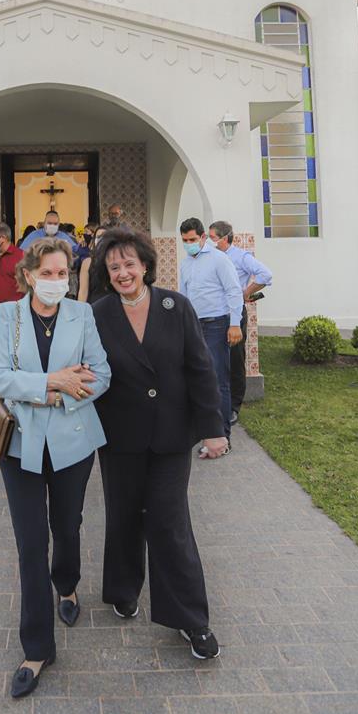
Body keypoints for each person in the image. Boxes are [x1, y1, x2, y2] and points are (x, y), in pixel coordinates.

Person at [91, 229, 226, 660]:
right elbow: (87, 372)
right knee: (124, 514)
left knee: (169, 522)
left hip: (171, 435)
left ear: (145, 265)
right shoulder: (97, 314)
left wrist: (214, 428)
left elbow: (200, 370)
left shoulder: (176, 306)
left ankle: (191, 619)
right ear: (106, 274)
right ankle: (123, 588)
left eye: (130, 264)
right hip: (119, 436)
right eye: (114, 267)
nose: (123, 272)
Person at [0, 238, 111, 698]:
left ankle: (69, 584)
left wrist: (60, 392)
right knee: (30, 542)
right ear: (30, 274)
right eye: (49, 273)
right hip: (19, 445)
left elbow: (101, 374)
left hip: (73, 442)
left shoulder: (83, 315)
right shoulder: (8, 316)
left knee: (67, 523)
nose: (57, 281)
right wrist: (52, 383)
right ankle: (37, 648)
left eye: (64, 274)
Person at [178, 218, 243, 452]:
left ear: (203, 237)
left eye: (192, 240)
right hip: (193, 326)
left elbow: (234, 291)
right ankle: (202, 432)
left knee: (217, 380)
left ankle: (222, 437)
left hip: (217, 324)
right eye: (185, 241)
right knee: (195, 378)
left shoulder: (219, 259)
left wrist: (235, 324)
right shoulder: (185, 263)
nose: (189, 244)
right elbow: (183, 297)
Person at [208, 220, 273, 424]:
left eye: (212, 238)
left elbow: (266, 274)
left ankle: (234, 406)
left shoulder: (240, 256)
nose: (209, 242)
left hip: (234, 314)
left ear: (225, 238)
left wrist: (246, 292)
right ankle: (216, 402)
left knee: (235, 358)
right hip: (213, 314)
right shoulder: (210, 257)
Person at [77, 224, 109, 304]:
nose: (101, 240)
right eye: (98, 237)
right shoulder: (87, 262)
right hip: (93, 307)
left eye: (104, 237)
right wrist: (80, 313)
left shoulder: (118, 262)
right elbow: (83, 291)